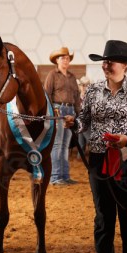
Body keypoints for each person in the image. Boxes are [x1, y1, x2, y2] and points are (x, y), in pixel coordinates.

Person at [64, 40, 127, 253]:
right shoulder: (92, 91)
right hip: (99, 159)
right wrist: (74, 123)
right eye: (104, 61)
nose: (105, 65)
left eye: (111, 61)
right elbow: (84, 120)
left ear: (125, 66)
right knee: (103, 218)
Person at [44, 47, 80, 186]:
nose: (66, 60)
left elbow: (76, 96)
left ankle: (65, 176)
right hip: (57, 110)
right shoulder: (52, 75)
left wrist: (78, 114)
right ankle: (55, 177)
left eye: (67, 58)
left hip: (70, 111)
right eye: (63, 58)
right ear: (57, 61)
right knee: (57, 144)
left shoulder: (72, 77)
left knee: (65, 145)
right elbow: (47, 94)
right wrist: (51, 111)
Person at [76, 75, 91, 158]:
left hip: (88, 121)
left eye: (86, 85)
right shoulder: (77, 97)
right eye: (83, 85)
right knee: (80, 141)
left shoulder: (90, 97)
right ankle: (80, 156)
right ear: (80, 86)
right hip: (79, 120)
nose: (85, 87)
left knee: (88, 138)